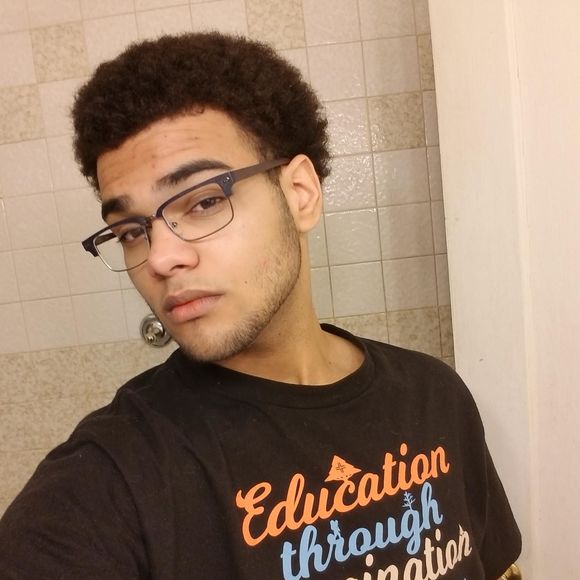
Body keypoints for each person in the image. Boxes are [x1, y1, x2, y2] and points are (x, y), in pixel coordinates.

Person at [0, 32, 521, 579]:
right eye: (131, 231)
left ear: (299, 193)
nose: (160, 258)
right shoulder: (116, 475)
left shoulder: (434, 396)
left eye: (203, 201)